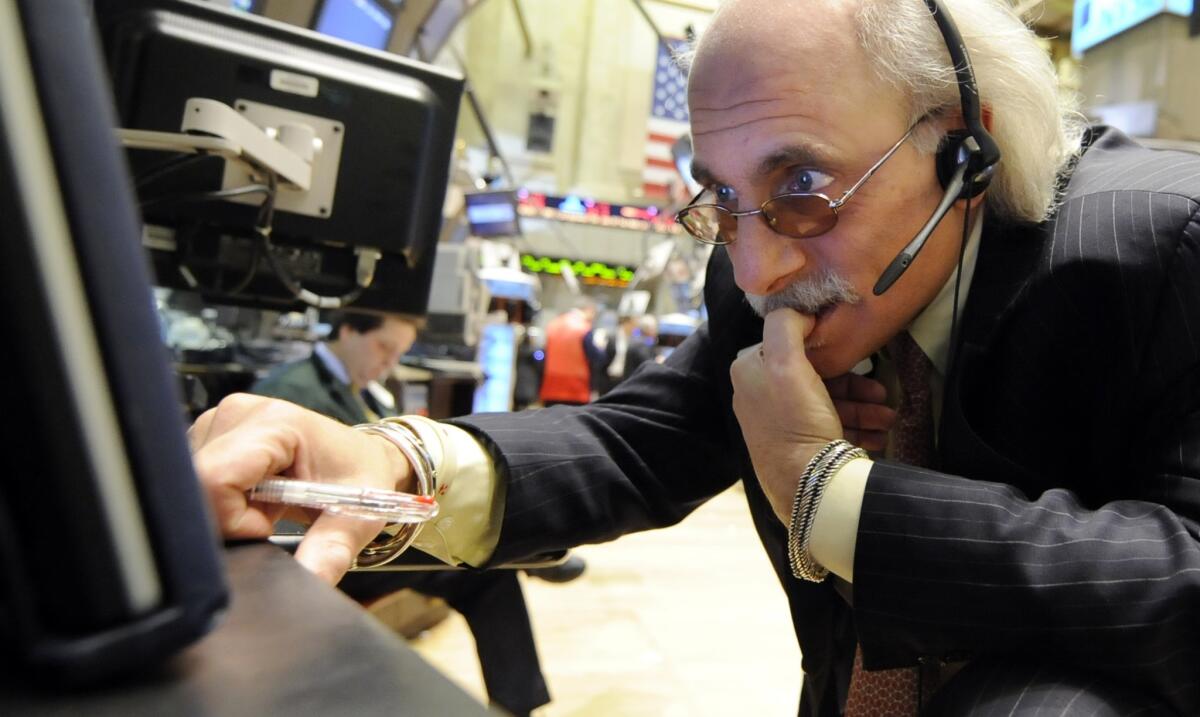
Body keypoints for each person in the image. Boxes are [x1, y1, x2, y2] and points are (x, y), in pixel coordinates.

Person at [190, 1, 1200, 714]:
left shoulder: (1166, 244)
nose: (758, 265)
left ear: (965, 151)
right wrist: (395, 467)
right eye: (720, 194)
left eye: (805, 180)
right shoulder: (761, 257)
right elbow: (645, 440)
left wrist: (826, 495)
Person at [251, 311, 552, 717]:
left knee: (484, 552)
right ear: (348, 330)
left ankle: (531, 551)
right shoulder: (292, 391)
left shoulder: (366, 391)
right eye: (384, 347)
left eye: (399, 353)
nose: (389, 362)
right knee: (488, 567)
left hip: (368, 532)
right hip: (318, 549)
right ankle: (534, 557)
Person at [537, 297, 598, 406]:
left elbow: (542, 354)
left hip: (551, 385)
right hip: (576, 388)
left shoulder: (553, 324)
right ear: (589, 310)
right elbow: (595, 356)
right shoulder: (584, 328)